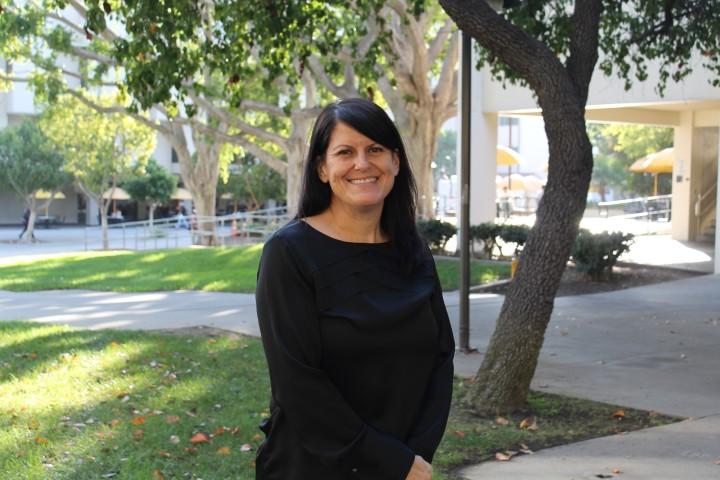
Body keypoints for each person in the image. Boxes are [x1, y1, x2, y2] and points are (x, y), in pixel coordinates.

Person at [255, 98, 454, 480]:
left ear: (395, 162)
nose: (363, 164)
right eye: (345, 152)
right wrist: (391, 462)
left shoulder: (412, 249)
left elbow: (441, 356)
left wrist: (416, 456)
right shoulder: (289, 252)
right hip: (313, 467)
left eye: (375, 149)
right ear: (323, 169)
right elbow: (297, 384)